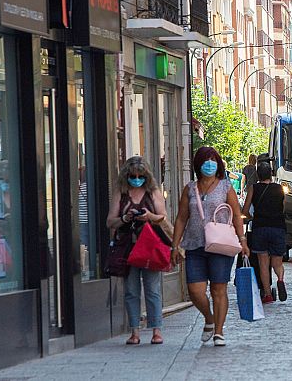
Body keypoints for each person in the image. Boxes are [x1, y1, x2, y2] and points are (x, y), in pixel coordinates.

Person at [171, 147, 249, 347]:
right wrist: (175, 245)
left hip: (221, 245)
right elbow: (181, 218)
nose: (210, 164)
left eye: (213, 160)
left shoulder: (225, 187)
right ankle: (209, 318)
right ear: (198, 164)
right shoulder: (189, 189)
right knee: (195, 290)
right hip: (195, 244)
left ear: (219, 164)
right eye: (206, 161)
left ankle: (219, 332)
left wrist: (243, 240)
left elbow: (236, 214)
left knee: (218, 288)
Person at [105, 156, 171, 345]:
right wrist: (125, 218)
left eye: (140, 176)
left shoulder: (153, 192)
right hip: (128, 248)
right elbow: (110, 221)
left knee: (152, 289)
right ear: (126, 176)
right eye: (132, 176)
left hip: (150, 247)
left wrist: (149, 216)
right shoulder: (121, 192)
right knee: (131, 290)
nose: (136, 179)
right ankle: (134, 331)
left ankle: (156, 330)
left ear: (146, 176)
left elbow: (163, 218)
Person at [241, 162, 287, 304]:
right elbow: (284, 208)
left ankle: (267, 294)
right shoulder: (280, 188)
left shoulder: (253, 188)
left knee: (263, 263)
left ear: (257, 174)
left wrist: (252, 218)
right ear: (271, 173)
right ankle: (280, 279)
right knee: (277, 262)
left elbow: (245, 211)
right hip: (278, 227)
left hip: (260, 228)